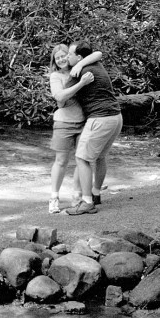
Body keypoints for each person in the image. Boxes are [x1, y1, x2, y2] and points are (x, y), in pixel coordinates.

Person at [63, 40, 123, 215]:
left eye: (70, 54)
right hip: (116, 117)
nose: (67, 57)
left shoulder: (79, 72)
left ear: (80, 57)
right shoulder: (95, 63)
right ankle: (95, 193)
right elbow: (98, 53)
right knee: (100, 156)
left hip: (101, 119)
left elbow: (61, 99)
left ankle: (87, 202)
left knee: (82, 158)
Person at [48, 43, 101, 214]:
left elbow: (98, 54)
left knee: (82, 160)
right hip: (63, 123)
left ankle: (77, 196)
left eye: (64, 55)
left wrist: (79, 65)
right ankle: (54, 197)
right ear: (54, 61)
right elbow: (59, 97)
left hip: (83, 121)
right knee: (61, 161)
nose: (62, 59)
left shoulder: (79, 69)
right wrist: (81, 84)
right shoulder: (55, 76)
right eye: (58, 58)